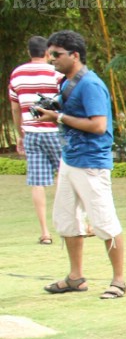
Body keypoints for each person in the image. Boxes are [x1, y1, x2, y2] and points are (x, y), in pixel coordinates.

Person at [36, 30, 126, 300]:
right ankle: (75, 277)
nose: (52, 59)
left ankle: (119, 281)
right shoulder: (67, 82)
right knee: (66, 219)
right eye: (50, 54)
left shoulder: (91, 84)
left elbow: (99, 126)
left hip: (91, 162)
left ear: (74, 55)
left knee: (104, 221)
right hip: (70, 159)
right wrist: (53, 114)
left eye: (57, 55)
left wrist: (59, 117)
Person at [8, 35, 63, 245]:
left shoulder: (17, 74)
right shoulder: (56, 73)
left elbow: (15, 108)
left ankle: (45, 232)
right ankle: (68, 225)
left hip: (31, 133)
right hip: (56, 131)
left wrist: (20, 133)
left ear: (28, 52)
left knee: (38, 182)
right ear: (48, 53)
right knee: (65, 177)